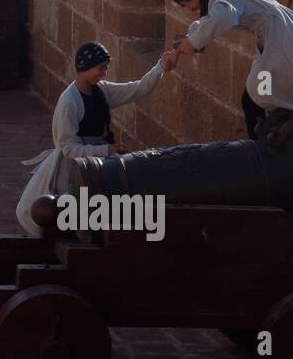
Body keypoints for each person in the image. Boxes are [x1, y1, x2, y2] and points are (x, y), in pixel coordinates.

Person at [15, 42, 174, 235]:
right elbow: (68, 148)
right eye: (100, 69)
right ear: (85, 67)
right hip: (73, 167)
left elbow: (137, 89)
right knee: (71, 213)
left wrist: (160, 67)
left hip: (97, 163)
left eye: (105, 69)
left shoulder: (102, 91)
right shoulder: (69, 101)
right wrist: (105, 151)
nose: (104, 74)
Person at [170, 0, 293, 139]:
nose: (190, 9)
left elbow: (223, 17)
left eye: (186, 4)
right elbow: (210, 19)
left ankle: (263, 149)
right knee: (260, 96)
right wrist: (189, 39)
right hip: (291, 33)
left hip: (281, 40)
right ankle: (272, 140)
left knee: (258, 97)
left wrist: (194, 42)